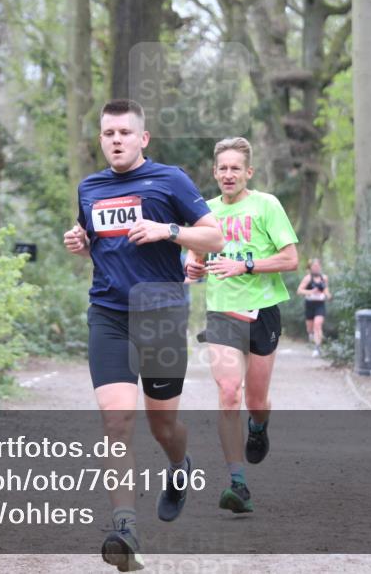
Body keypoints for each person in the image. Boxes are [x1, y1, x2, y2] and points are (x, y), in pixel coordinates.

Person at [63, 99, 224, 571]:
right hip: (109, 315)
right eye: (108, 133)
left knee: (162, 426)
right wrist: (80, 242)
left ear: (143, 138)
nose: (116, 140)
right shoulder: (89, 188)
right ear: (101, 139)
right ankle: (125, 528)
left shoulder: (170, 180)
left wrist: (167, 230)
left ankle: (179, 466)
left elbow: (214, 237)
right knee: (117, 422)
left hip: (161, 313)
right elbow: (96, 242)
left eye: (125, 133)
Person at [184, 137, 298, 514]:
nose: (229, 174)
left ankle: (259, 426)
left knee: (256, 401)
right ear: (214, 173)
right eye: (223, 168)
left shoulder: (267, 205)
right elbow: (194, 256)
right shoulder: (205, 211)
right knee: (230, 392)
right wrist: (194, 267)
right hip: (222, 313)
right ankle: (237, 484)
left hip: (262, 311)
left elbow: (290, 259)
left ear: (248, 172)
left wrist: (245, 265)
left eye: (236, 168)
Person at [297, 258, 330, 358]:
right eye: (314, 266)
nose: (316, 268)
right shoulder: (307, 278)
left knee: (317, 325)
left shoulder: (324, 278)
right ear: (311, 268)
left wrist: (328, 295)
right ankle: (311, 335)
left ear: (320, 267)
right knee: (310, 329)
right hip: (310, 305)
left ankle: (317, 348)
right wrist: (311, 292)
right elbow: (299, 291)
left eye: (318, 266)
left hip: (320, 304)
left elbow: (326, 290)